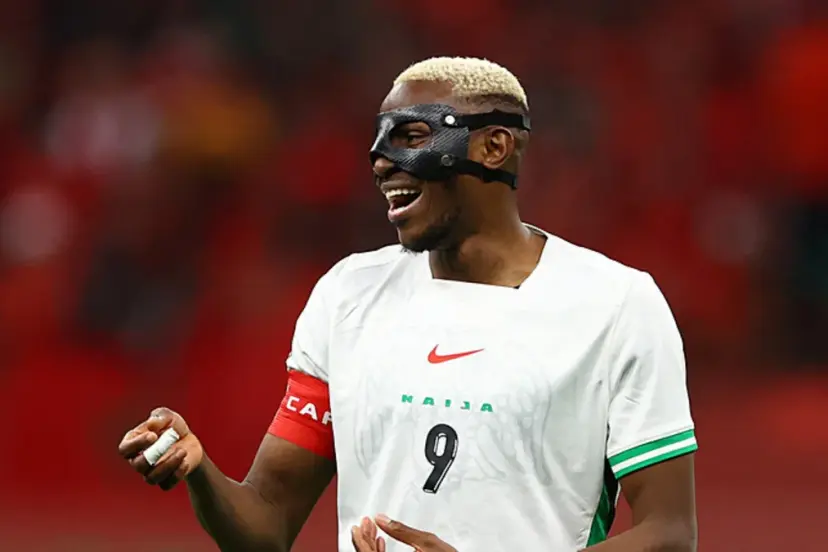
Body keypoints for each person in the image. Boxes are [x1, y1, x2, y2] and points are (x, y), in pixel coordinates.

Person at [118, 57, 698, 552]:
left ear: (494, 147)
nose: (380, 161)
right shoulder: (348, 295)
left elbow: (669, 533)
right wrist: (200, 471)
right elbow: (266, 523)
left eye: (411, 137)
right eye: (378, 141)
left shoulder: (616, 305)